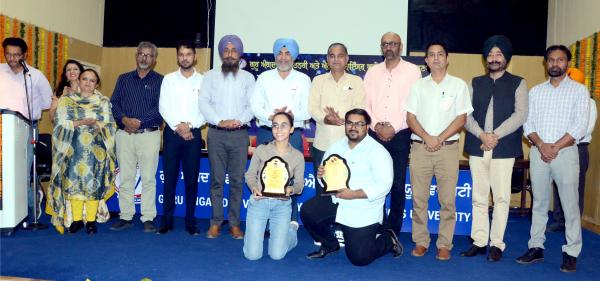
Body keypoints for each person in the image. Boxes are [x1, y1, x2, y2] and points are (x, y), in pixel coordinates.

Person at [517, 45, 589, 273]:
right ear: (545, 63)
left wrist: (555, 147)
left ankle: (571, 252)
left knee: (570, 205)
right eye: (551, 60)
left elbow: (580, 125)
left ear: (567, 64)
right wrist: (541, 145)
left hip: (566, 154)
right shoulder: (536, 91)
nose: (555, 64)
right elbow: (528, 123)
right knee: (538, 203)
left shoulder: (579, 91)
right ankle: (536, 247)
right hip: (539, 153)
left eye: (560, 60)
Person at [300, 109, 403, 266]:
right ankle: (330, 245)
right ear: (345, 125)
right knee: (308, 211)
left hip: (362, 208)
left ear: (367, 127)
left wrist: (354, 194)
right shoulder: (335, 147)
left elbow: (384, 185)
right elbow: (327, 182)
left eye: (359, 123)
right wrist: (322, 177)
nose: (353, 127)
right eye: (350, 123)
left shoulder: (378, 151)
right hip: (338, 201)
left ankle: (389, 240)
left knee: (359, 258)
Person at [461, 35, 528, 262]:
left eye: (499, 54)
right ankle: (479, 241)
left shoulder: (518, 82)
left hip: (503, 147)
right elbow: (465, 114)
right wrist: (482, 135)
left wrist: (494, 136)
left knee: (501, 198)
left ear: (506, 58)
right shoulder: (475, 82)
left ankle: (497, 244)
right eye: (490, 54)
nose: (494, 58)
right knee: (479, 197)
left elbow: (521, 115)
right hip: (478, 145)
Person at [405, 42, 473, 261]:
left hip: (448, 149)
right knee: (419, 199)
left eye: (440, 54)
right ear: (426, 60)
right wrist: (427, 138)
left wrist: (439, 139)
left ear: (447, 58)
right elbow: (410, 118)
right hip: (420, 148)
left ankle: (444, 244)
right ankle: (421, 241)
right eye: (431, 55)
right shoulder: (417, 86)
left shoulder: (459, 85)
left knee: (447, 201)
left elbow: (461, 117)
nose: (436, 58)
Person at [364, 32, 422, 236]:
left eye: (393, 44)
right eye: (385, 44)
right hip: (374, 133)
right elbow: (366, 105)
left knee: (397, 183)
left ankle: (393, 228)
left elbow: (413, 106)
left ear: (400, 46)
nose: (389, 47)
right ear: (381, 47)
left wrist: (393, 128)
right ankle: (376, 222)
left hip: (401, 133)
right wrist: (376, 126)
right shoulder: (372, 72)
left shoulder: (413, 72)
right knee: (375, 181)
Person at [46, 69, 117, 235]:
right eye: (85, 79)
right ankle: (77, 220)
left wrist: (97, 125)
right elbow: (60, 123)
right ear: (79, 80)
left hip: (96, 152)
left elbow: (110, 125)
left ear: (97, 84)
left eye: (92, 80)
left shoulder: (103, 101)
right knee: (74, 185)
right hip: (72, 151)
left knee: (93, 186)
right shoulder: (67, 100)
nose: (88, 83)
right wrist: (82, 122)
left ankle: (91, 221)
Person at [199, 35, 255, 239]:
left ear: (239, 53)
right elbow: (203, 102)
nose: (230, 54)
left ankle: (234, 224)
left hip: (240, 135)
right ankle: (215, 222)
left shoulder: (248, 78)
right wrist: (219, 120)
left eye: (234, 50)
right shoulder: (210, 76)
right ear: (222, 54)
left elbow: (252, 106)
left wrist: (238, 120)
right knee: (216, 180)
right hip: (216, 134)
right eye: (226, 50)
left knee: (238, 181)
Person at [250, 38, 311, 223]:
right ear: (275, 56)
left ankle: (290, 220)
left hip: (292, 135)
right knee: (264, 175)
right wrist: (272, 116)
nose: (283, 57)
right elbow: (255, 106)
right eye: (280, 53)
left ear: (294, 57)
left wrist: (289, 116)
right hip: (267, 132)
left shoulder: (303, 79)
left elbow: (308, 109)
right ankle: (265, 221)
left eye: (287, 53)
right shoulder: (264, 78)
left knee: (290, 177)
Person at [110, 41, 164, 233]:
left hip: (148, 135)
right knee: (125, 176)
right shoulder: (123, 79)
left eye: (149, 55)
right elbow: (114, 103)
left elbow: (161, 109)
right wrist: (125, 120)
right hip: (124, 134)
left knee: (149, 178)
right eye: (141, 54)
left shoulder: (160, 80)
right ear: (136, 56)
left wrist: (138, 122)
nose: (144, 58)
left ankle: (148, 217)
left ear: (154, 59)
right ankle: (125, 216)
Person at [157, 40, 205, 235]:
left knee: (192, 180)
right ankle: (166, 221)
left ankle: (190, 222)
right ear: (177, 57)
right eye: (181, 54)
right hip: (172, 132)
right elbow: (163, 107)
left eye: (188, 54)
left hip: (194, 134)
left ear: (195, 57)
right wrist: (179, 126)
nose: (185, 58)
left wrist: (190, 126)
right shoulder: (168, 79)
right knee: (170, 179)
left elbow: (205, 109)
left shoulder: (203, 80)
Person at [1, 37, 53, 219]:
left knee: (22, 171)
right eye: (8, 54)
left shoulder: (34, 75)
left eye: (16, 55)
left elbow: (47, 102)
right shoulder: (0, 70)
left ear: (25, 55)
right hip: (2, 127)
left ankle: (31, 206)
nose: (12, 58)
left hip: (26, 127)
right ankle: (8, 211)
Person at [243, 112, 304, 260]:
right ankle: (254, 237)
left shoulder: (297, 156)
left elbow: (300, 185)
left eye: (284, 126)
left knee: (277, 255)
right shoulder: (261, 150)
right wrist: (253, 188)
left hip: (282, 206)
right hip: (259, 203)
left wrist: (291, 189)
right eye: (275, 126)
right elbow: (249, 175)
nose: (279, 130)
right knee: (252, 255)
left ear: (291, 129)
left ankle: (291, 231)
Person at [309, 42, 365, 195]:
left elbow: (359, 109)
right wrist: (326, 119)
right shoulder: (318, 81)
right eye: (332, 56)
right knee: (323, 189)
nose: (336, 60)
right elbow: (312, 109)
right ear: (327, 59)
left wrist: (343, 119)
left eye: (340, 56)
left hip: (348, 145)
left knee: (347, 187)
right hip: (322, 145)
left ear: (347, 59)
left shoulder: (356, 81)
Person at [547, 68, 597, 233]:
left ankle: (573, 224)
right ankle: (559, 220)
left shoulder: (589, 102)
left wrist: (565, 141)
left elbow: (586, 128)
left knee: (575, 188)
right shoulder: (560, 100)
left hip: (577, 148)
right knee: (558, 185)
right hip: (556, 147)